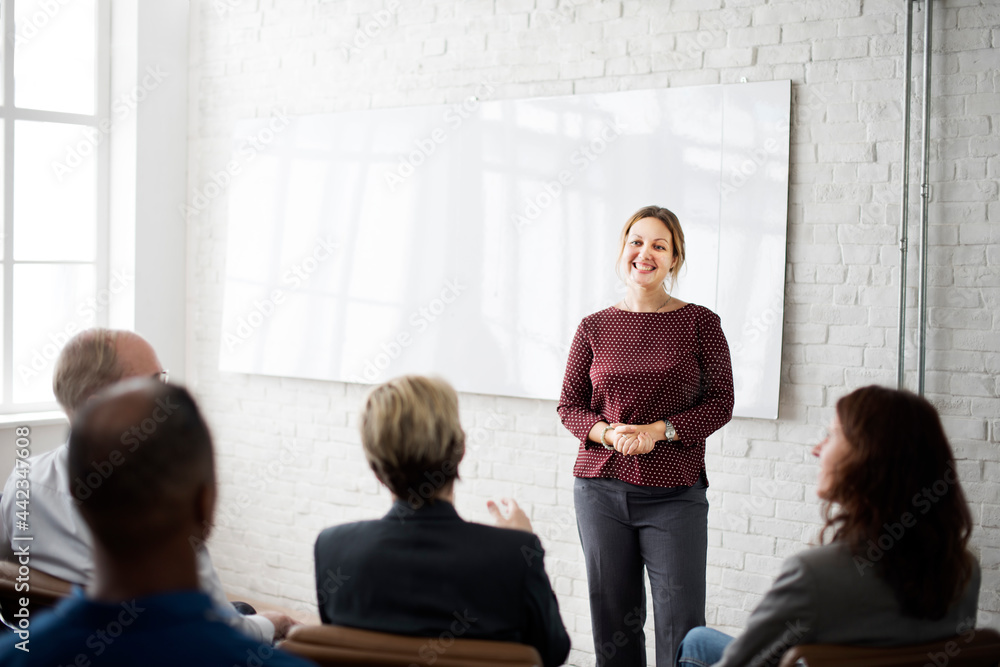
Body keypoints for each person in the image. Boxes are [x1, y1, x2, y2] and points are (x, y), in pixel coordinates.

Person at [0, 328, 296, 644]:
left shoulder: (22, 482)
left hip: (64, 641)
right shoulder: (164, 509)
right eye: (154, 383)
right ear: (99, 408)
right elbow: (222, 634)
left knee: (241, 608)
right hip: (163, 645)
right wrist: (272, 623)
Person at [676, 385, 982, 667]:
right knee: (699, 641)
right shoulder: (965, 570)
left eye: (832, 435)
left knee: (694, 645)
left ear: (868, 458)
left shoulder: (814, 575)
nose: (817, 449)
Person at [558, 205, 734, 666]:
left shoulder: (701, 324)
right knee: (613, 624)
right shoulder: (593, 327)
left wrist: (660, 431)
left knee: (681, 629)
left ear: (674, 259)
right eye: (637, 242)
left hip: (674, 496)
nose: (645, 253)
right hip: (600, 490)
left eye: (659, 245)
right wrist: (607, 434)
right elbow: (569, 406)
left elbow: (721, 403)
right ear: (624, 250)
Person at [314, 375, 571, 667]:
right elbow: (553, 653)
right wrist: (523, 548)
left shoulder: (332, 548)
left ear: (374, 466)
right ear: (460, 450)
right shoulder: (513, 555)